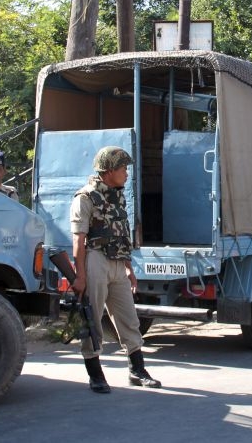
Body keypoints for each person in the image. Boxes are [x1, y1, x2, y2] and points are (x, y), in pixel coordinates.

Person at [70, 146, 161, 393]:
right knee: (92, 319)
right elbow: (79, 239)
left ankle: (137, 370)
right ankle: (95, 374)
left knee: (129, 319)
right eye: (123, 168)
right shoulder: (85, 197)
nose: (126, 173)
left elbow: (121, 235)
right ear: (109, 170)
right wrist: (80, 275)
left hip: (117, 264)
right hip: (95, 260)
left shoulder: (117, 195)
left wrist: (129, 267)